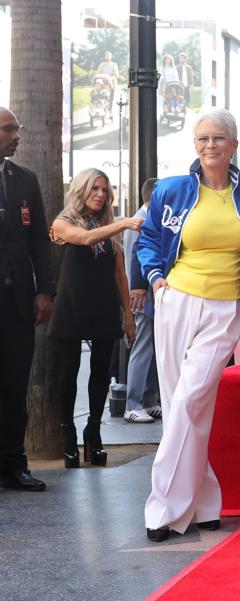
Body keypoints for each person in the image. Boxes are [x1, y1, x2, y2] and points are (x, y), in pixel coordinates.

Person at [137, 109, 240, 542]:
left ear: (233, 145)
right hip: (175, 301)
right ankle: (205, 502)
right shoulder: (172, 190)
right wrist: (156, 280)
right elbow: (149, 239)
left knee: (189, 400)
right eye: (202, 139)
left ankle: (163, 510)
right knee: (184, 405)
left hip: (224, 308)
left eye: (218, 138)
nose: (210, 146)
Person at [48, 169, 139, 468]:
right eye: (94, 189)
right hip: (71, 305)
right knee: (68, 374)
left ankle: (94, 432)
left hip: (103, 305)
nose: (100, 194)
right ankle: (68, 434)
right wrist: (123, 223)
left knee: (100, 374)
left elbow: (119, 275)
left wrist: (128, 315)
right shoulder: (63, 223)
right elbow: (85, 239)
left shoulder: (108, 226)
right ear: (81, 190)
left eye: (104, 189)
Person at [0, 107, 54, 492]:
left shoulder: (25, 180)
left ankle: (13, 464)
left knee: (15, 386)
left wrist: (44, 290)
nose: (16, 135)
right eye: (8, 129)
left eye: (16, 128)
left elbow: (39, 241)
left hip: (17, 302)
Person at [124, 177, 161, 424]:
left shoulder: (145, 218)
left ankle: (148, 400)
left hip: (148, 294)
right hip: (142, 295)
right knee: (143, 347)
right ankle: (132, 403)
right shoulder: (141, 221)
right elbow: (137, 256)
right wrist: (137, 288)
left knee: (152, 347)